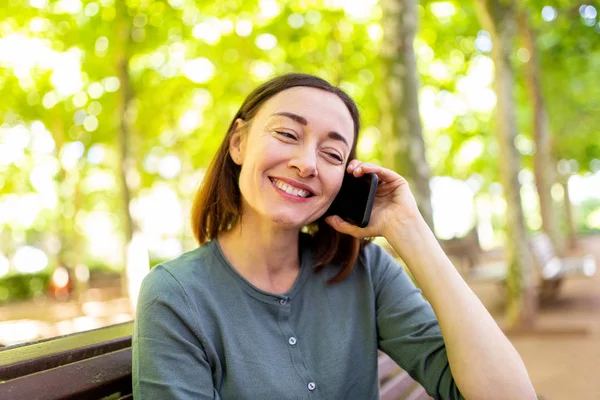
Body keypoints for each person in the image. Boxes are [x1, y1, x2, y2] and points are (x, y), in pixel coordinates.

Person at [132, 73, 536, 399]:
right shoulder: (175, 295)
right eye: (288, 134)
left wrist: (408, 230)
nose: (307, 163)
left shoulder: (366, 271)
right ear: (238, 143)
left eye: (332, 154)